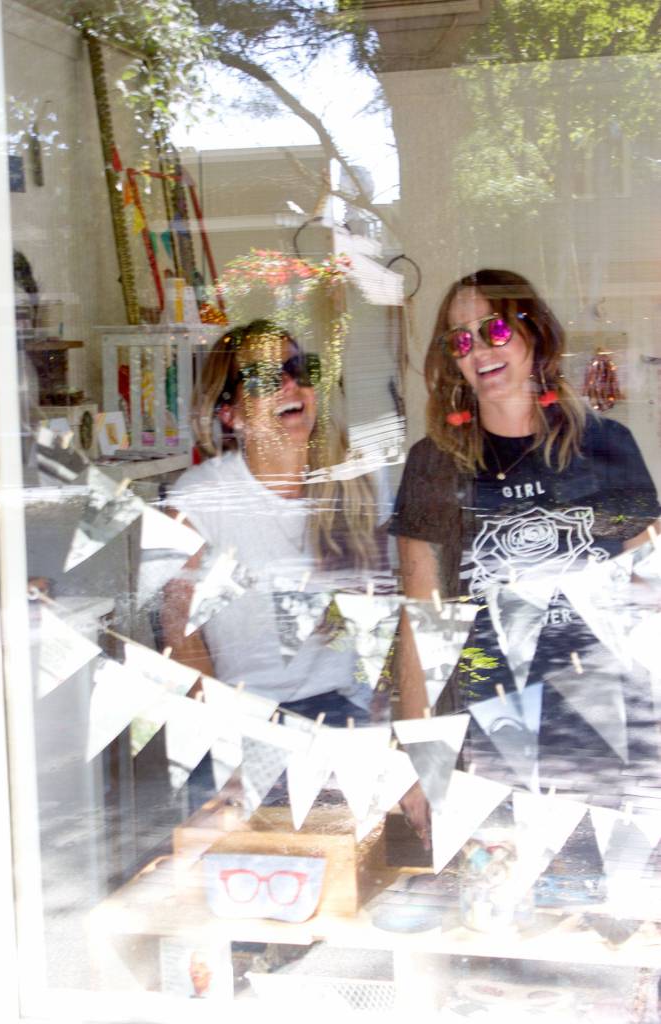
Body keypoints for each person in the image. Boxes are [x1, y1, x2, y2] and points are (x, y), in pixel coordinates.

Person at [391, 269, 661, 844]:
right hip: (498, 730)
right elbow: (421, 621)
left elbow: (651, 592)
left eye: (493, 329)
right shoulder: (435, 465)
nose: (479, 349)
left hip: (621, 719)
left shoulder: (605, 446)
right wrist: (422, 756)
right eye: (460, 340)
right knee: (508, 901)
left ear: (533, 334)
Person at [161, 319, 391, 804]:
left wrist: (390, 726)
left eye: (297, 369)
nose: (290, 384)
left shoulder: (358, 481)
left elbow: (388, 617)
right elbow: (182, 641)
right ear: (230, 414)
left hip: (346, 715)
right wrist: (225, 748)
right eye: (265, 378)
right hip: (240, 717)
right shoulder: (198, 500)